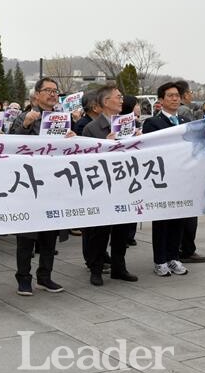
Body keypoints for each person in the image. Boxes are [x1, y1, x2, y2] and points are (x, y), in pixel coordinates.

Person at [8, 77, 67, 296]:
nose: (53, 94)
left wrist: (70, 136)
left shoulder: (61, 119)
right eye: (48, 90)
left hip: (53, 184)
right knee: (26, 236)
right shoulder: (25, 116)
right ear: (37, 95)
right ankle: (23, 278)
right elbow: (10, 145)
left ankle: (45, 276)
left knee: (49, 236)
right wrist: (25, 126)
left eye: (55, 91)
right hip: (28, 184)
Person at [82, 85, 139, 286]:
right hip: (102, 187)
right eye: (118, 97)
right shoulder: (91, 128)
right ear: (106, 102)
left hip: (125, 183)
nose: (122, 100)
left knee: (122, 229)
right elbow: (87, 160)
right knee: (100, 230)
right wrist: (106, 145)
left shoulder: (129, 125)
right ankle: (96, 269)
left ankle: (119, 267)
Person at [142, 82, 193, 277]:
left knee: (179, 217)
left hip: (182, 177)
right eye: (170, 96)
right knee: (162, 220)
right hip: (162, 177)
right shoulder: (153, 123)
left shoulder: (185, 121)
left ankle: (174, 257)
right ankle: (160, 260)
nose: (174, 98)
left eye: (176, 95)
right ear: (161, 100)